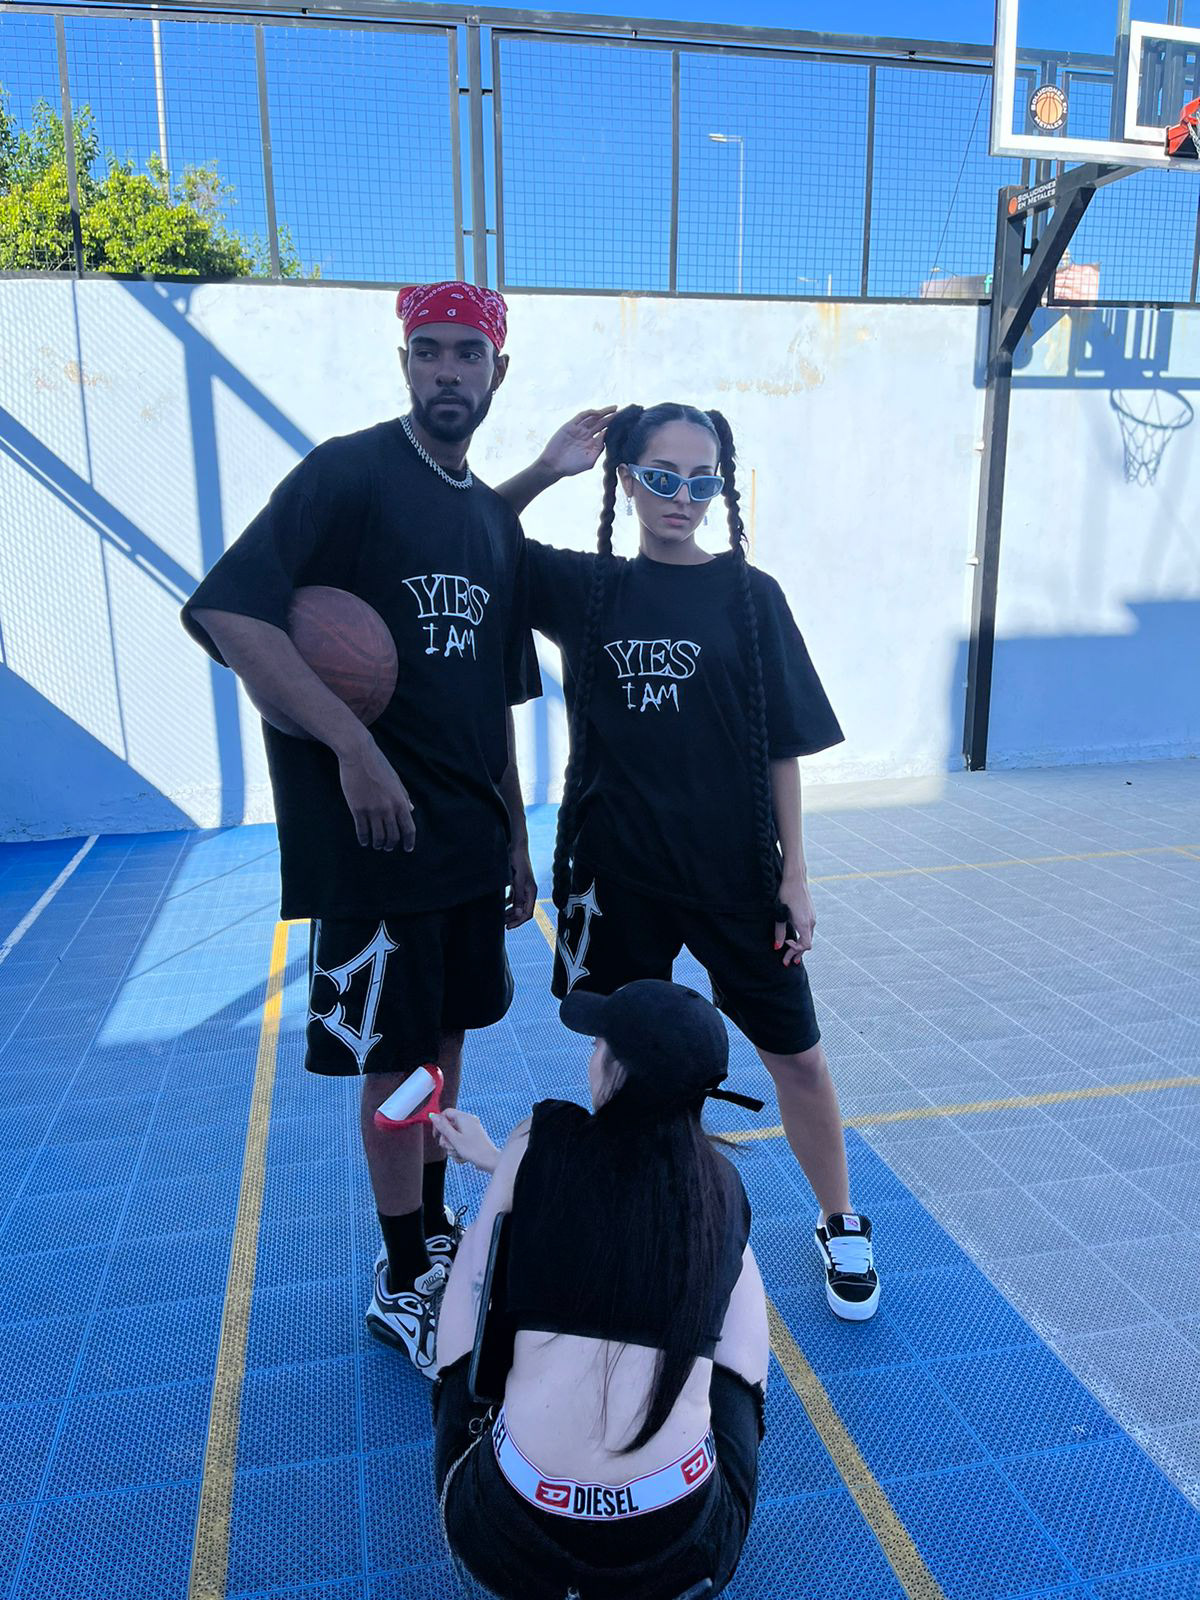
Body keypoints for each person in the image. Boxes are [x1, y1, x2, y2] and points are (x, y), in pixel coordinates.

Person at [181, 282, 541, 1376]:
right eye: (428, 352)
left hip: (467, 843)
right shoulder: (348, 473)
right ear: (405, 364)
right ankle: (399, 1275)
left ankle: (431, 1233)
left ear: (497, 372)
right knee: (393, 1064)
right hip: (376, 848)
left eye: (466, 354)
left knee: (445, 1045)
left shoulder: (488, 518)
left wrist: (516, 834)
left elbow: (496, 696)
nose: (447, 371)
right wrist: (353, 746)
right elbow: (230, 610)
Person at [496, 403, 880, 1321]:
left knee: (798, 1059)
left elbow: (781, 746)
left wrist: (794, 874)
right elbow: (475, 531)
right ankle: (638, 1211)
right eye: (662, 477)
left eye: (703, 481)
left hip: (734, 875)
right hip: (616, 875)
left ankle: (839, 1219)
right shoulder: (587, 587)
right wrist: (547, 467)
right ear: (627, 480)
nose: (683, 497)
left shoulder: (751, 596)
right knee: (629, 1061)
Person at [429, 979, 768, 1600]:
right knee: (733, 1256)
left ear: (616, 1073)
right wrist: (499, 1161)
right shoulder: (719, 1185)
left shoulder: (537, 1139)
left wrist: (503, 1166)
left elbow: (474, 1312)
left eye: (598, 1045)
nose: (591, 1055)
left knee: (482, 1257)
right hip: (683, 1552)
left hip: (510, 1537)